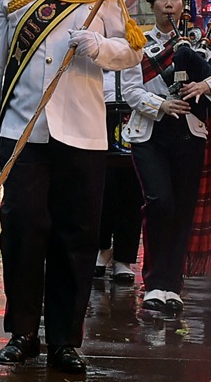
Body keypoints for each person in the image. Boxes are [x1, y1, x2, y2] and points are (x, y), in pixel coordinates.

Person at [0, 0, 143, 374]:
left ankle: (66, 341)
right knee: (22, 231)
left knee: (77, 238)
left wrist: (98, 46)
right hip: (23, 131)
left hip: (84, 134)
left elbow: (131, 52)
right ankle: (23, 334)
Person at [120, 0, 211, 313]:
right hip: (150, 133)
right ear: (152, 5)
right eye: (164, 0)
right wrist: (162, 105)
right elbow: (130, 90)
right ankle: (154, 282)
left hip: (190, 133)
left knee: (183, 209)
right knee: (160, 203)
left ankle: (172, 286)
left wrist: (203, 87)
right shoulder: (137, 43)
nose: (171, 5)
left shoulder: (197, 44)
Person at [94, 69, 141, 284]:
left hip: (136, 129)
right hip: (98, 128)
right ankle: (102, 248)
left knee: (132, 196)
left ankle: (124, 258)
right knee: (102, 193)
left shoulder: (140, 55)